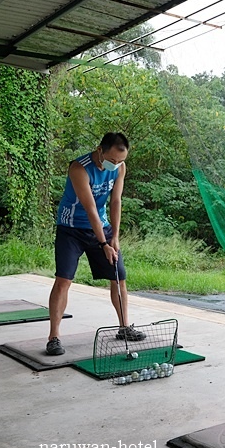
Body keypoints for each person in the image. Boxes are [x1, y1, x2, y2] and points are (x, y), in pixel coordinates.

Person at [46, 132, 145, 356]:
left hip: (102, 227)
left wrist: (115, 237)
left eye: (121, 160)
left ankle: (124, 327)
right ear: (100, 150)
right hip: (71, 229)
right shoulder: (79, 168)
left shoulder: (120, 167)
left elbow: (116, 201)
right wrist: (103, 244)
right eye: (113, 159)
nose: (117, 164)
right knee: (63, 280)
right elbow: (90, 208)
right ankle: (54, 336)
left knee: (118, 277)